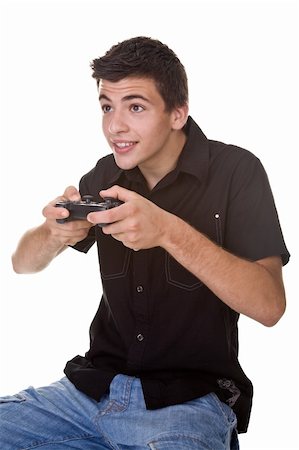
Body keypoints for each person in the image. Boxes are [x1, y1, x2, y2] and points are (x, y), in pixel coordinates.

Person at [1, 36, 290, 450]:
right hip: (89, 392)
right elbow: (21, 264)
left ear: (178, 113)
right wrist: (54, 234)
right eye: (106, 107)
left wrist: (168, 231)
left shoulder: (236, 171)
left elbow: (269, 306)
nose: (115, 126)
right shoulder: (103, 177)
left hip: (189, 402)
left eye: (135, 107)